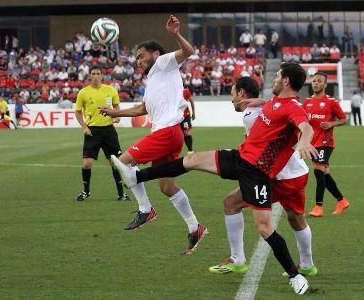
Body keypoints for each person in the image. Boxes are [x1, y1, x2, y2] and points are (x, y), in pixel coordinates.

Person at [110, 63, 318, 295]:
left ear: (287, 81)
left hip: (257, 173)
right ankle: (136, 175)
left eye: (279, 76)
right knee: (193, 160)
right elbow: (275, 106)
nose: (275, 79)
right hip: (241, 157)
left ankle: (295, 275)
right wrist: (259, 102)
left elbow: (305, 126)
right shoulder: (276, 101)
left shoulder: (294, 108)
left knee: (264, 227)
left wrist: (306, 140)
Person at [100, 15, 207, 255]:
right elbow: (142, 109)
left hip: (167, 131)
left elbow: (188, 51)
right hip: (171, 134)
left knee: (124, 161)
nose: (137, 61)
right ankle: (194, 226)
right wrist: (114, 112)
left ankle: (145, 209)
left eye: (140, 56)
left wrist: (175, 34)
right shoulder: (153, 79)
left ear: (154, 54)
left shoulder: (163, 63)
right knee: (167, 186)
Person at [206, 77, 317, 278]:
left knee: (231, 204)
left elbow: (288, 127)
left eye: (233, 93)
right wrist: (263, 102)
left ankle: (237, 260)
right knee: (295, 218)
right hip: (297, 173)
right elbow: (286, 112)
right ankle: (308, 264)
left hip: (276, 176)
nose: (232, 100)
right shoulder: (280, 104)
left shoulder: (250, 115)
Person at [74, 65, 130, 202]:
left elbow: (116, 107)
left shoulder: (110, 90)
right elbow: (78, 111)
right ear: (89, 75)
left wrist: (117, 116)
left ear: (102, 75)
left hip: (109, 130)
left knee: (116, 163)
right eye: (93, 73)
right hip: (92, 131)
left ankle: (121, 194)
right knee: (87, 163)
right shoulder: (83, 92)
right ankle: (86, 192)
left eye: (98, 73)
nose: (96, 75)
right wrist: (84, 127)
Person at [303, 72, 349, 217]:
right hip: (313, 143)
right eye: (314, 80)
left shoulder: (331, 102)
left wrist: (331, 123)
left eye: (319, 81)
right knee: (324, 174)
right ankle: (341, 200)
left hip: (326, 142)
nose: (316, 83)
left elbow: (343, 119)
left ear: (325, 84)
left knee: (318, 171)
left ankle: (318, 207)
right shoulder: (307, 102)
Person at [181, 87, 196, 154]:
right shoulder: (171, 91)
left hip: (185, 116)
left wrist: (193, 113)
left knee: (186, 133)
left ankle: (190, 150)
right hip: (175, 117)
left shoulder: (185, 91)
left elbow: (192, 101)